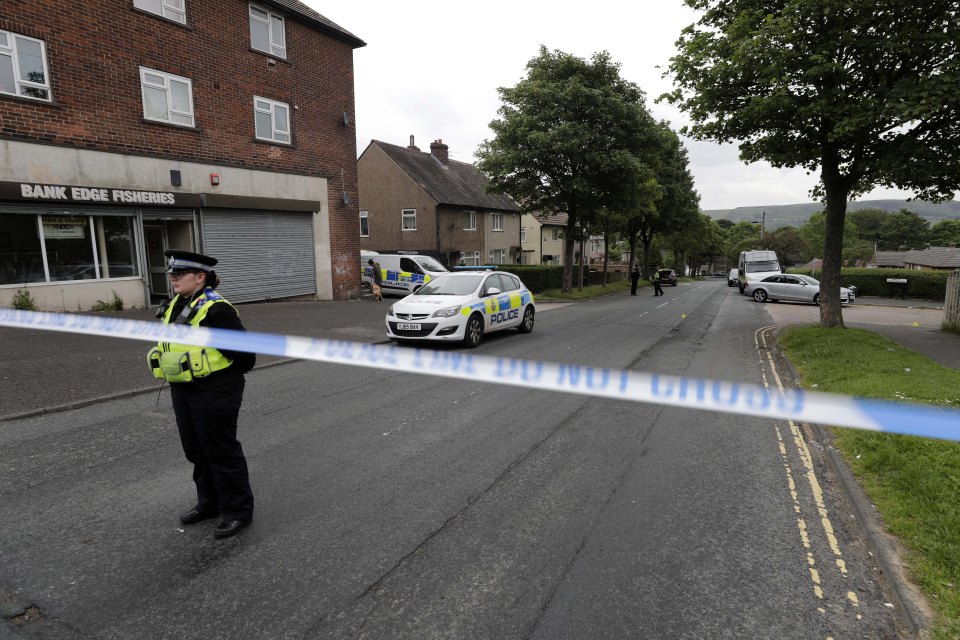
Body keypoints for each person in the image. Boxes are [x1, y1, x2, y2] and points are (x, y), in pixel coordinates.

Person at [147, 250, 256, 539]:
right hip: (183, 390)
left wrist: (217, 380)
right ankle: (209, 503)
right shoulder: (176, 304)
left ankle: (238, 511)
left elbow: (246, 357)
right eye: (171, 274)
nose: (173, 278)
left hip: (214, 391)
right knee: (196, 450)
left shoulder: (217, 310)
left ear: (200, 277)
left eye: (179, 274)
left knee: (221, 451)